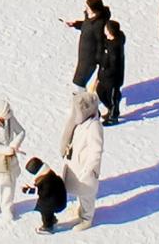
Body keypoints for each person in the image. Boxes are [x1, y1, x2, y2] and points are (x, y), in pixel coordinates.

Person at [58, 85, 106, 229]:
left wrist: (89, 170)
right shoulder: (82, 122)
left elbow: (96, 151)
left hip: (85, 168)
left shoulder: (94, 127)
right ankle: (81, 210)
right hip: (76, 163)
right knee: (80, 191)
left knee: (87, 195)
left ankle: (87, 218)